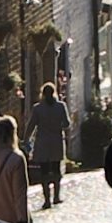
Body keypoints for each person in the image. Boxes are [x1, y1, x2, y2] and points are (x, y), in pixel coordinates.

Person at [25, 82, 71, 210]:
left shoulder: (37, 108)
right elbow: (67, 123)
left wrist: (26, 138)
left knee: (44, 171)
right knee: (56, 169)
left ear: (43, 94)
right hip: (56, 141)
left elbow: (31, 125)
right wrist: (58, 126)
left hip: (42, 142)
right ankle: (56, 196)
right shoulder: (61, 106)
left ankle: (46, 200)